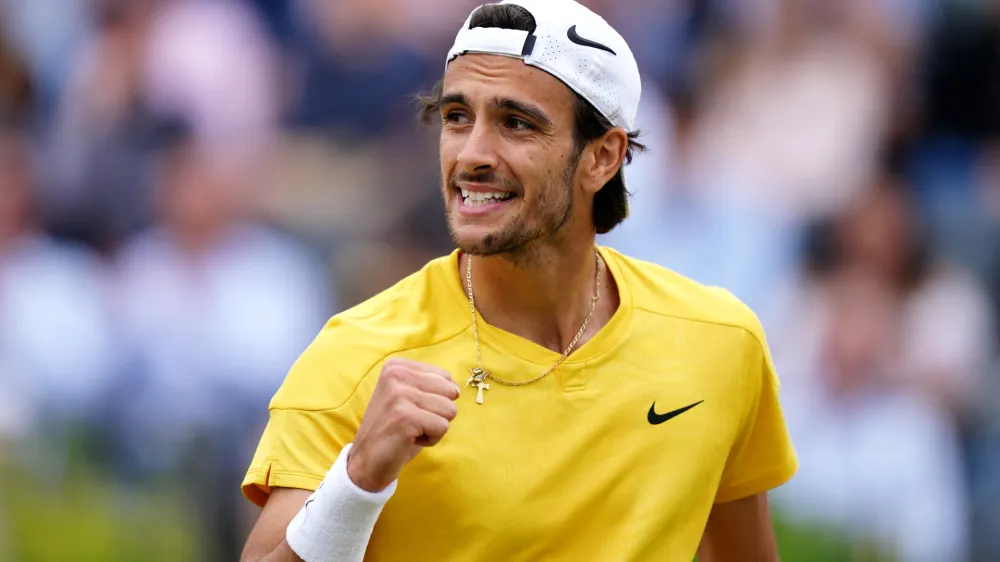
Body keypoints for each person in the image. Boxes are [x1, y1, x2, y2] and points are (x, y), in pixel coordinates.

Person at [240, 1, 798, 561]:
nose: (473, 154)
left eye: (516, 123)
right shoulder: (356, 357)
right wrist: (357, 480)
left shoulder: (721, 342)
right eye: (457, 117)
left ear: (602, 158)